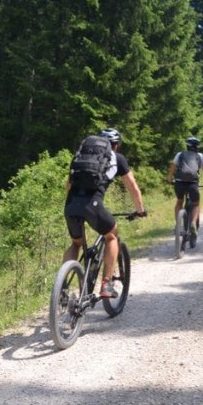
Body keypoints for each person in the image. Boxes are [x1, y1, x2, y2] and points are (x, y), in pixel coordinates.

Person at [64, 128, 146, 298]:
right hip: (92, 205)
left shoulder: (80, 157)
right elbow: (132, 187)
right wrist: (140, 210)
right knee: (112, 235)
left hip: (71, 204)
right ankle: (106, 284)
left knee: (76, 243)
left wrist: (72, 207)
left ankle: (62, 288)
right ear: (116, 146)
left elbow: (69, 186)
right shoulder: (117, 158)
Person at [167, 136, 203, 247]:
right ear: (198, 147)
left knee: (179, 201)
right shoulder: (200, 156)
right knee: (196, 204)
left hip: (179, 182)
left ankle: (178, 225)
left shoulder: (179, 154)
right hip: (193, 183)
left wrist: (169, 179)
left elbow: (173, 168)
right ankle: (193, 223)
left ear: (187, 146)